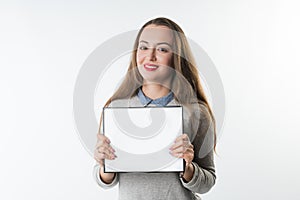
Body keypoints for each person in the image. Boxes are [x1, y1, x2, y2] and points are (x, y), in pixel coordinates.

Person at [93, 17, 217, 200]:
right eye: (143, 47)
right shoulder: (116, 109)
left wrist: (188, 167)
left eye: (162, 49)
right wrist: (104, 165)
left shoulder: (196, 112)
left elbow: (208, 182)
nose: (150, 56)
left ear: (177, 56)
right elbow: (104, 178)